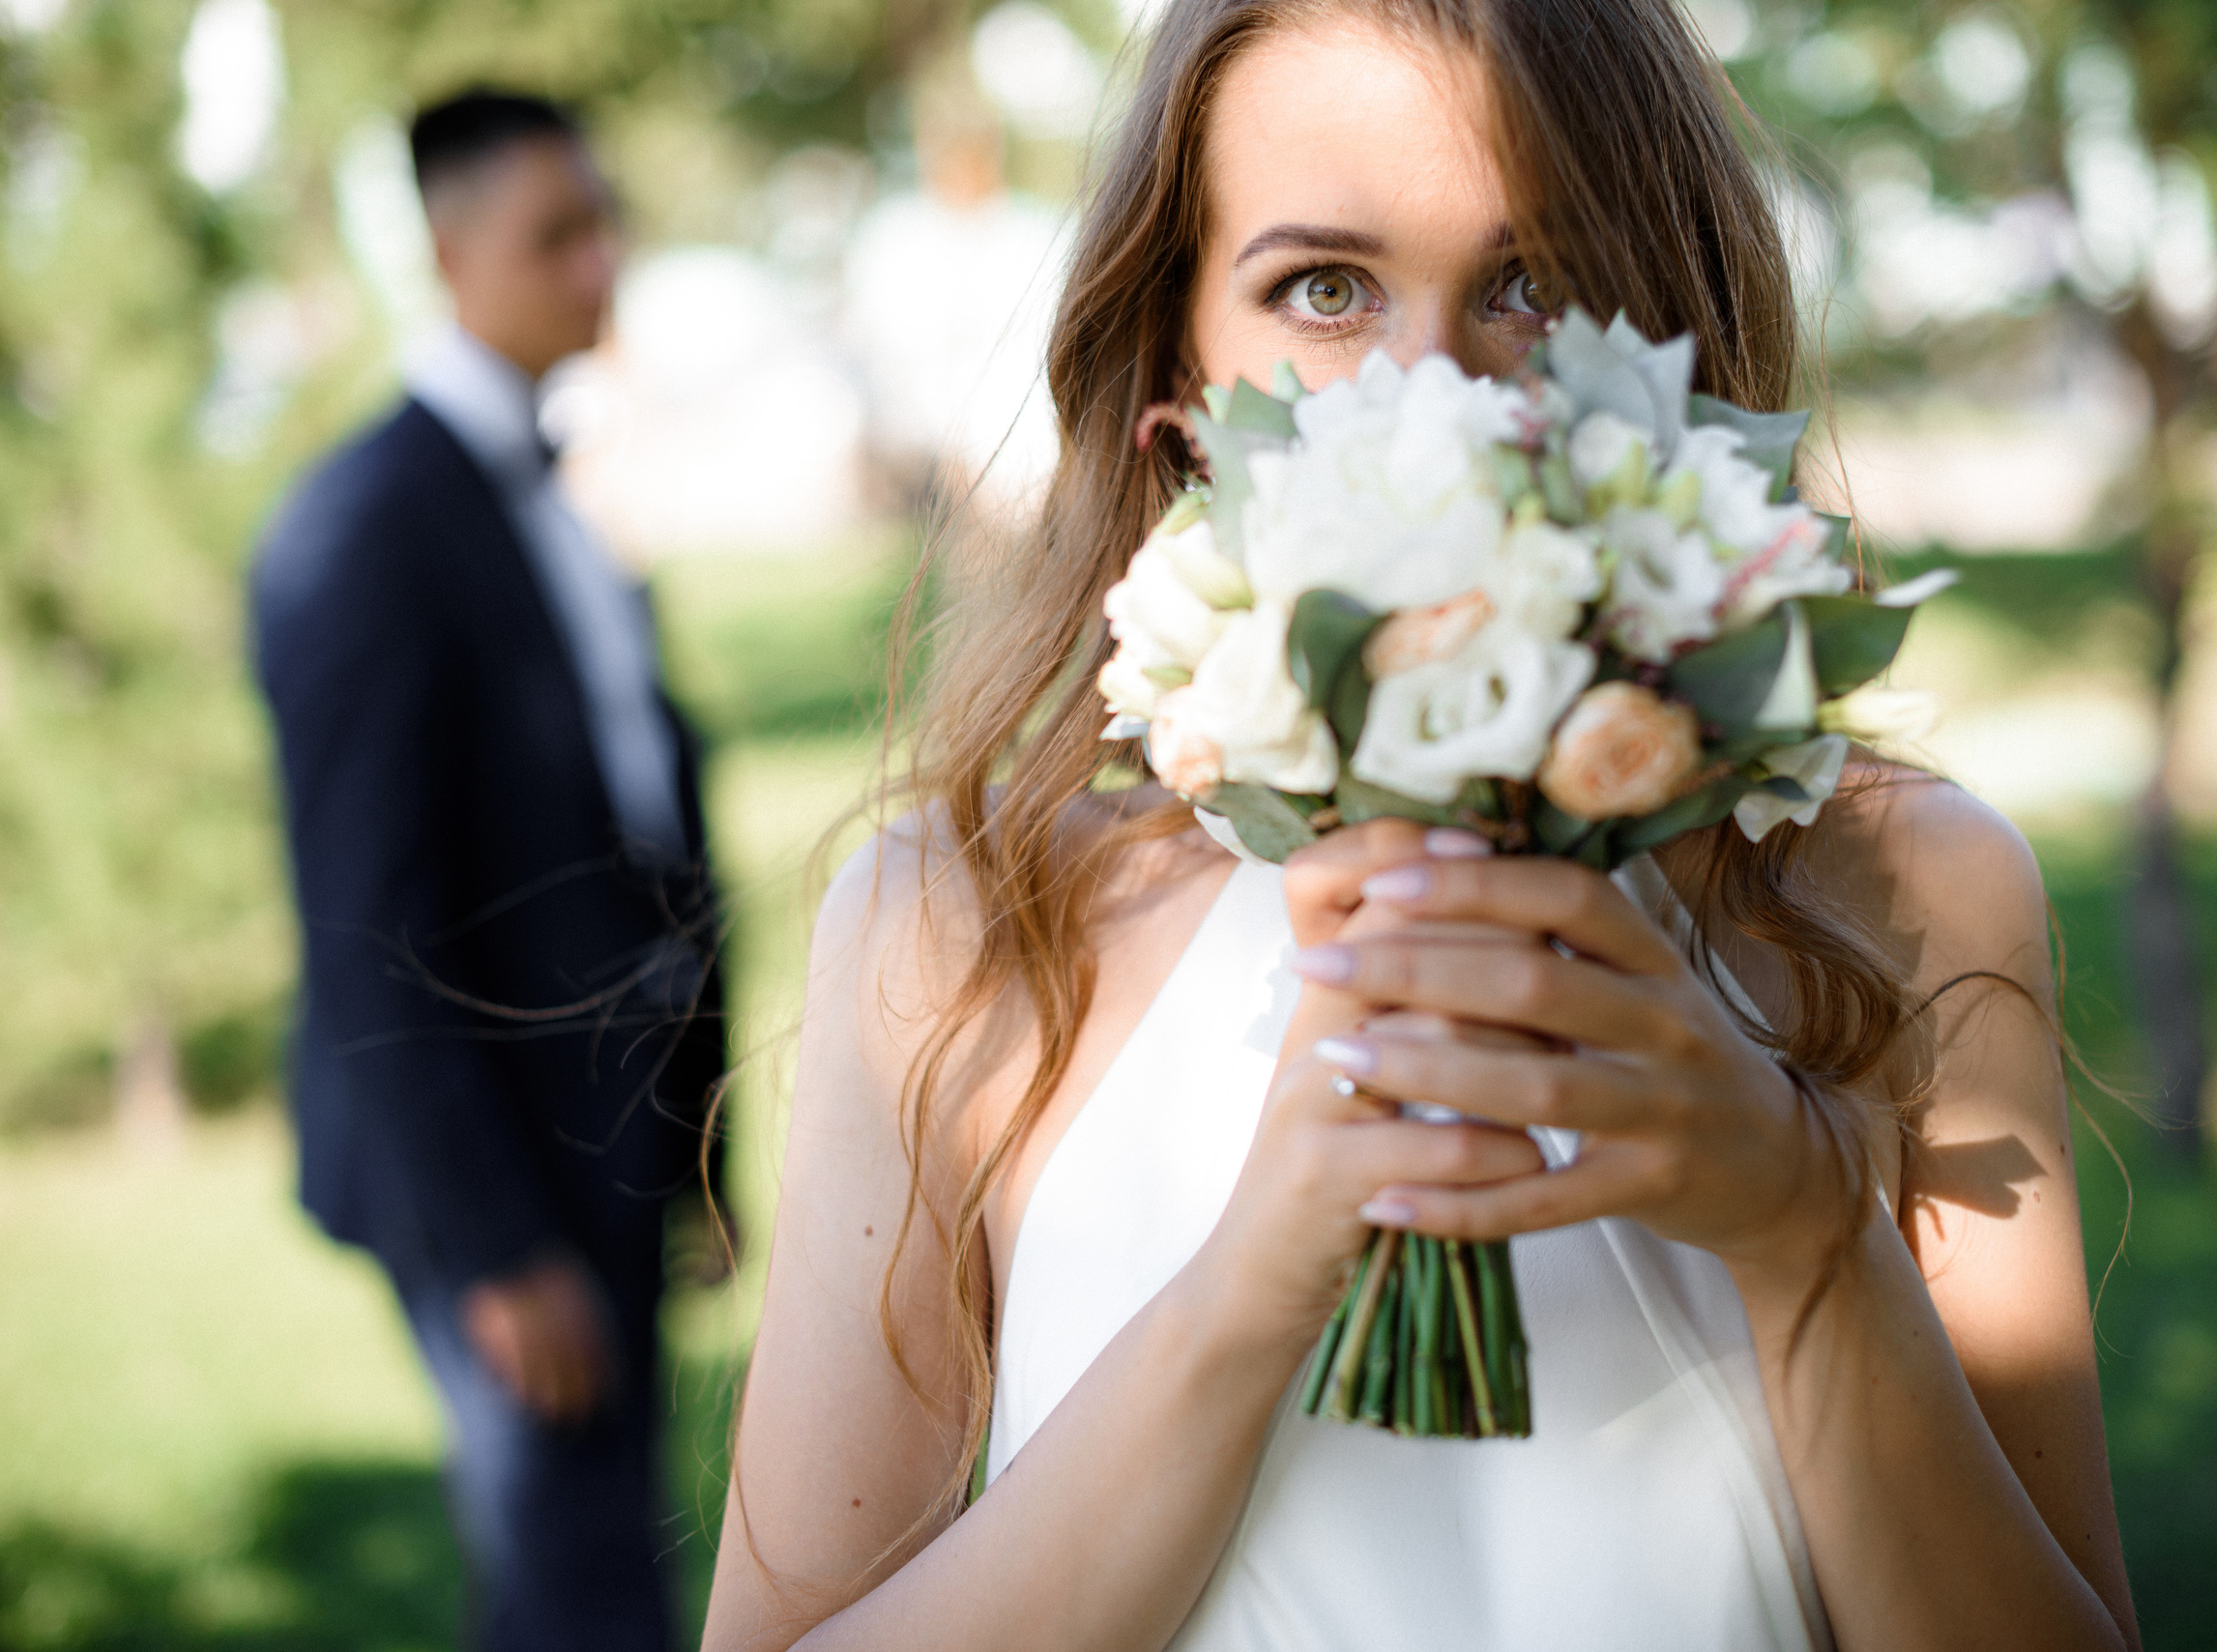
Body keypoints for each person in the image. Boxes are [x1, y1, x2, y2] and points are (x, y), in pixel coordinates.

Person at [704, 2, 2142, 1648]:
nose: (1438, 397)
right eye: (1324, 291)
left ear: (1674, 346)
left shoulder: (1905, 885)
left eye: (1534, 286)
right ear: (1180, 373)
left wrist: (1806, 1233)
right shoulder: (964, 923)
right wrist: (1246, 1294)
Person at [251, 90, 725, 1652]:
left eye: (605, 222)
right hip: (501, 1160)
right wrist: (495, 1250)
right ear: (451, 256)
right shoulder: (364, 528)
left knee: (580, 1571)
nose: (602, 265)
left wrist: (708, 1137)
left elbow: (636, 798)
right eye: (556, 236)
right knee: (587, 1581)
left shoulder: (566, 481)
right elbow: (360, 922)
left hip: (618, 1122)